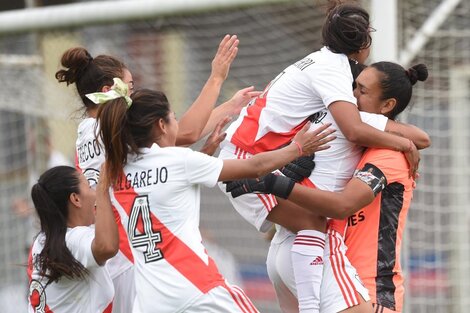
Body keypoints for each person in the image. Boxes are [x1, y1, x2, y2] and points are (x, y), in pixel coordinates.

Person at [217, 2, 427, 312]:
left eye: (362, 90)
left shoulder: (330, 95)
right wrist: (276, 182)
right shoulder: (368, 130)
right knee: (315, 222)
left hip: (291, 249)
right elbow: (343, 203)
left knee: (311, 222)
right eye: (354, 87)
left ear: (387, 104)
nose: (353, 94)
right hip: (340, 267)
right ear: (363, 43)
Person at [91, 80, 334, 312]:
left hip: (150, 302)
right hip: (198, 288)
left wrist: (205, 153)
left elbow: (162, 190)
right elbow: (254, 167)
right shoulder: (179, 161)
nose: (177, 123)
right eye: (174, 117)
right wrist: (298, 147)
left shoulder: (114, 173)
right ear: (161, 125)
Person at [55, 34, 256, 313]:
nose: (133, 94)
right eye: (130, 86)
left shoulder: (87, 132)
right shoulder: (109, 129)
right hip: (131, 256)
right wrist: (216, 78)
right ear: (108, 89)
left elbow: (174, 135)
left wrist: (230, 106)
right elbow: (182, 132)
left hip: (113, 254)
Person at [27, 165, 118, 312]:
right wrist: (103, 188)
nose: (94, 193)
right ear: (75, 199)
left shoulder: (41, 242)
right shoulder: (71, 241)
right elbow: (107, 246)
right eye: (89, 187)